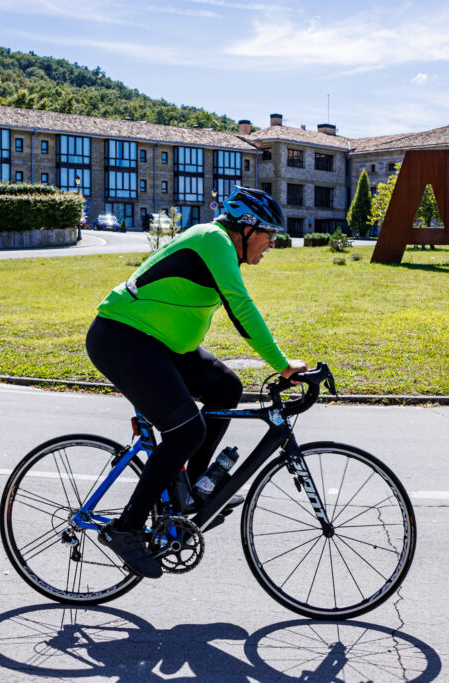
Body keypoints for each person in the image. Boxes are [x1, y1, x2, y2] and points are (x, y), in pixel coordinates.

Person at [86, 186, 307, 579]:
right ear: (246, 228)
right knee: (186, 430)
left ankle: (191, 490)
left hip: (159, 344)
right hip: (122, 338)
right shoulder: (213, 239)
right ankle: (126, 529)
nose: (272, 243)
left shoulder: (221, 246)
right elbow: (241, 308)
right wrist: (282, 364)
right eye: (269, 233)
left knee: (226, 388)